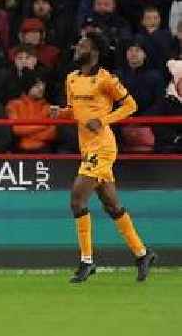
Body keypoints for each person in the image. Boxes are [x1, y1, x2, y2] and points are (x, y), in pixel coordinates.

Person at [50, 33, 156, 283]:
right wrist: (61, 113)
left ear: (94, 50)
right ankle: (143, 253)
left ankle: (87, 261)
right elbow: (77, 113)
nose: (78, 48)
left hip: (103, 148)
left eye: (83, 45)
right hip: (86, 148)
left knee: (77, 200)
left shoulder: (105, 79)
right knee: (112, 205)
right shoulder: (72, 79)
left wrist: (104, 120)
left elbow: (131, 106)